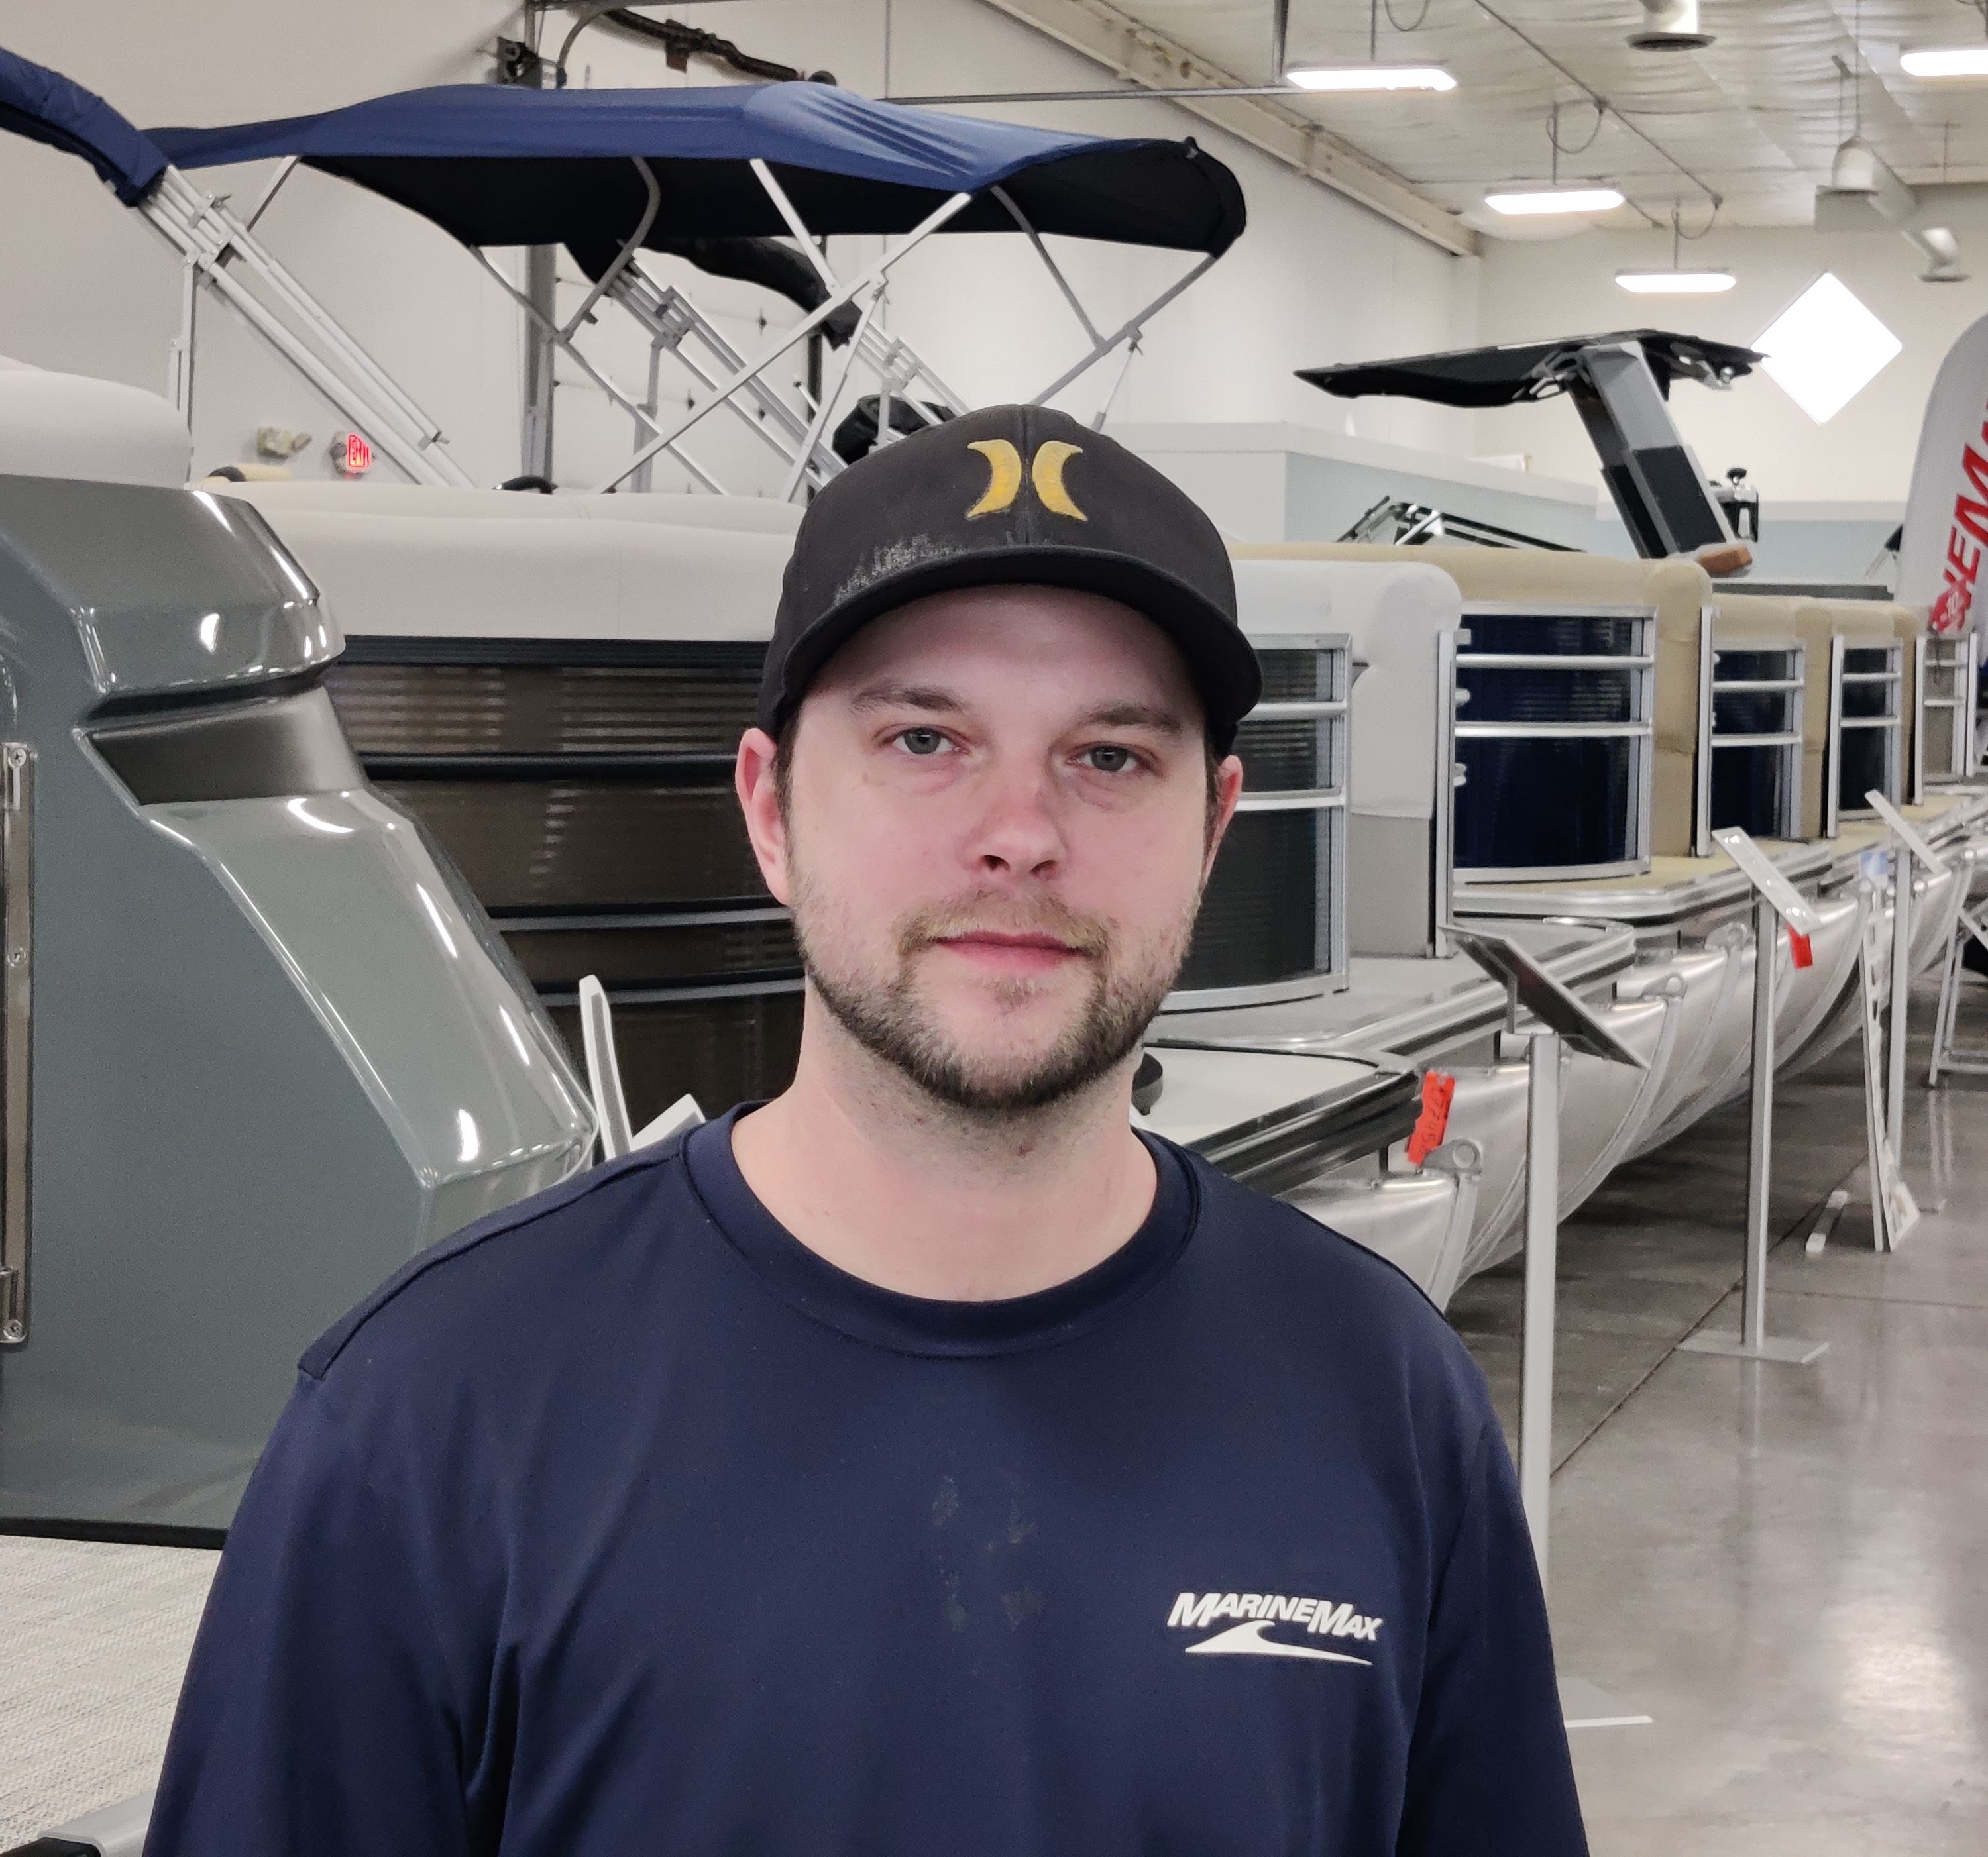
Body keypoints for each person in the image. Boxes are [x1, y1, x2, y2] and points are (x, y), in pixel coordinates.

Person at [146, 405, 1588, 1856]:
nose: (1019, 831)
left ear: (1214, 830)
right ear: (771, 811)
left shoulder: (1382, 1396)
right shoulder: (432, 1419)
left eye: (1109, 757)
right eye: (923, 737)